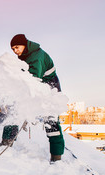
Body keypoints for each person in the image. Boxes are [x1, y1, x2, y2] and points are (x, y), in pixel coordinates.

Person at [10, 34, 64, 162]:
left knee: (51, 123)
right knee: (13, 112)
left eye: (17, 47)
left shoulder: (36, 57)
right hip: (36, 86)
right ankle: (6, 142)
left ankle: (56, 157)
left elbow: (34, 80)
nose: (15, 51)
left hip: (50, 90)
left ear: (25, 45)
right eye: (13, 49)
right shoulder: (24, 57)